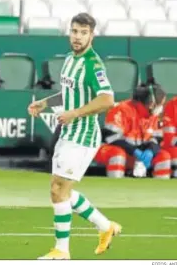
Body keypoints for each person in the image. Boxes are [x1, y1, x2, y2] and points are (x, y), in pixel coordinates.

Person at [28, 13, 120, 260]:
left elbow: (107, 99)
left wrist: (76, 113)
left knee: (59, 189)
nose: (77, 37)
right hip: (69, 131)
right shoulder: (70, 59)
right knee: (60, 189)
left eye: (83, 33)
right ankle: (105, 226)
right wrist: (45, 103)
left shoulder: (93, 64)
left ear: (92, 35)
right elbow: (69, 93)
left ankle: (62, 249)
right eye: (74, 31)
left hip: (83, 134)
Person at [94, 83, 172, 179]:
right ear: (152, 104)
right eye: (161, 104)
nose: (161, 108)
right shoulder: (121, 110)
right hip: (111, 150)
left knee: (164, 156)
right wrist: (135, 151)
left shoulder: (154, 115)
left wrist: (150, 151)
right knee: (118, 154)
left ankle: (159, 191)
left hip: (138, 155)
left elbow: (157, 138)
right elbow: (111, 137)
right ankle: (115, 188)